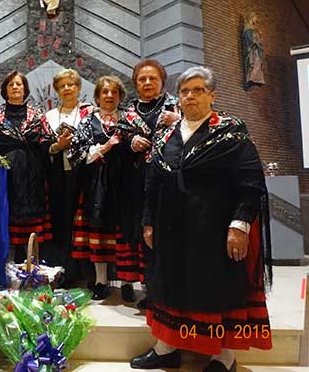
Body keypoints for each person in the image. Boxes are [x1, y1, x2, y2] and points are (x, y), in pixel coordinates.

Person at [130, 66, 272, 372]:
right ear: (177, 97)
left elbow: (250, 182)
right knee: (168, 286)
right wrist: (148, 222)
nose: (190, 96)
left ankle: (223, 358)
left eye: (198, 90)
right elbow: (152, 184)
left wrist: (240, 224)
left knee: (214, 290)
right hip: (169, 229)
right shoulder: (166, 135)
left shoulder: (231, 131)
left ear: (212, 95)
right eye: (185, 91)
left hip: (214, 229)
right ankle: (166, 348)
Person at [121, 59, 180, 306]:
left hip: (167, 181)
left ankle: (164, 290)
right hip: (135, 181)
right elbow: (118, 139)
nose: (147, 83)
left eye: (152, 79)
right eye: (142, 79)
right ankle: (147, 287)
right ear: (135, 83)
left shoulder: (175, 106)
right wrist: (130, 141)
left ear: (162, 82)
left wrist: (176, 122)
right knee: (140, 233)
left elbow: (192, 134)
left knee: (163, 232)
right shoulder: (128, 110)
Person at [68, 76, 128, 300]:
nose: (109, 96)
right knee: (99, 233)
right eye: (104, 92)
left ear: (120, 96)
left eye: (114, 92)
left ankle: (126, 281)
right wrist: (103, 148)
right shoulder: (87, 122)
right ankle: (101, 281)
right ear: (97, 97)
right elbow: (76, 154)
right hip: (96, 184)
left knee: (123, 232)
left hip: (125, 183)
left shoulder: (129, 118)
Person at [0, 71, 53, 256]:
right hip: (7, 172)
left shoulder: (37, 114)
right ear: (5, 90)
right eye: (11, 84)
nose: (15, 87)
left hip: (33, 173)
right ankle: (12, 260)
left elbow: (48, 139)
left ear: (25, 89)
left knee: (33, 220)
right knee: (10, 215)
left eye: (18, 84)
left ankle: (33, 260)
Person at [45, 69, 93, 285]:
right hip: (57, 175)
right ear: (57, 90)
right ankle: (64, 270)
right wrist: (57, 146)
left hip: (83, 174)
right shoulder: (49, 116)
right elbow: (42, 147)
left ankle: (90, 274)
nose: (67, 89)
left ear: (78, 88)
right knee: (61, 222)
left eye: (71, 85)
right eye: (62, 85)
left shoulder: (89, 113)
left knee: (83, 222)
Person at [242, 11, 267, 89]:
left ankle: (257, 78)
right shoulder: (248, 30)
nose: (256, 19)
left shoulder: (254, 29)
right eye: (255, 17)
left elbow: (258, 39)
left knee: (258, 63)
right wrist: (257, 41)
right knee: (253, 64)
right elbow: (250, 40)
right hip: (252, 51)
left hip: (257, 51)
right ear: (251, 18)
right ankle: (251, 78)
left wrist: (259, 36)